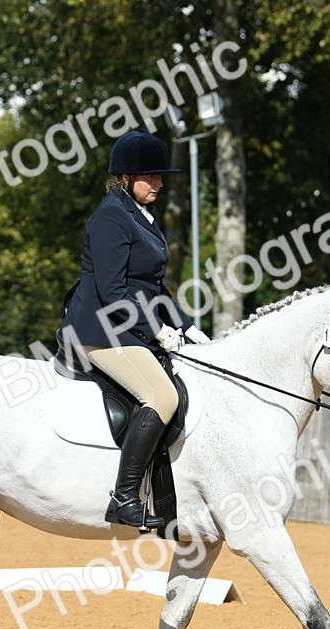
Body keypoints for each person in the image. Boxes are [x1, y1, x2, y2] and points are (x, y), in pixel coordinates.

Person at [62, 130, 210, 530]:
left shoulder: (142, 215)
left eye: (162, 176)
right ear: (125, 177)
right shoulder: (111, 215)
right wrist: (157, 329)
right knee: (161, 396)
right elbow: (112, 289)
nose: (160, 183)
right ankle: (124, 498)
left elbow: (153, 287)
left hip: (129, 327)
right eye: (152, 176)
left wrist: (187, 325)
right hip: (99, 330)